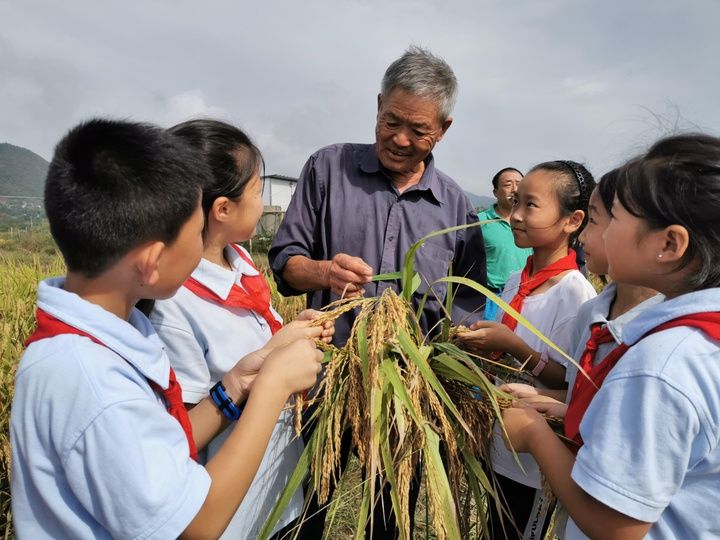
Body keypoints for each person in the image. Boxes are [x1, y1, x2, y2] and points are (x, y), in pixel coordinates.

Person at [10, 119, 324, 539]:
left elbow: (168, 444)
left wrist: (237, 382)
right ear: (152, 261)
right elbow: (194, 526)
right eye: (196, 232)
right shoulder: (96, 384)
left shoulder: (106, 338)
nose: (203, 248)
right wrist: (272, 387)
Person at [268, 45, 487, 538]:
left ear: (444, 130)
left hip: (405, 396)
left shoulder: (456, 206)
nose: (401, 139)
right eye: (392, 121)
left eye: (419, 130)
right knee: (303, 512)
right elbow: (285, 262)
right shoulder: (328, 168)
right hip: (323, 379)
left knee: (391, 517)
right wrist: (324, 272)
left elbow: (467, 307)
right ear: (378, 104)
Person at [501, 134, 720, 539]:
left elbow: (615, 526)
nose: (595, 234)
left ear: (669, 243)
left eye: (614, 218)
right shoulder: (698, 342)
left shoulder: (661, 366)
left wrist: (533, 432)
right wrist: (562, 410)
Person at [146, 119, 334, 540]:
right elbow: (183, 435)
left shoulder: (242, 263)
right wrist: (268, 377)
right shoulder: (172, 302)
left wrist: (290, 337)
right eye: (256, 191)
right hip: (230, 515)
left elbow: (259, 349)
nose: (262, 200)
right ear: (223, 209)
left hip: (277, 488)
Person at [456, 160, 597, 539]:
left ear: (572, 220)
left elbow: (571, 384)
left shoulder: (575, 293)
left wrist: (515, 347)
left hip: (536, 461)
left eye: (530, 206)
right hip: (500, 437)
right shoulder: (520, 278)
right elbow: (502, 342)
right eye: (514, 202)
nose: (515, 215)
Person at [477, 167, 532, 320]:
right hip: (491, 298)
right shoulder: (479, 221)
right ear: (495, 192)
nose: (514, 189)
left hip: (525, 296)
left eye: (519, 184)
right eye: (508, 185)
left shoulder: (532, 221)